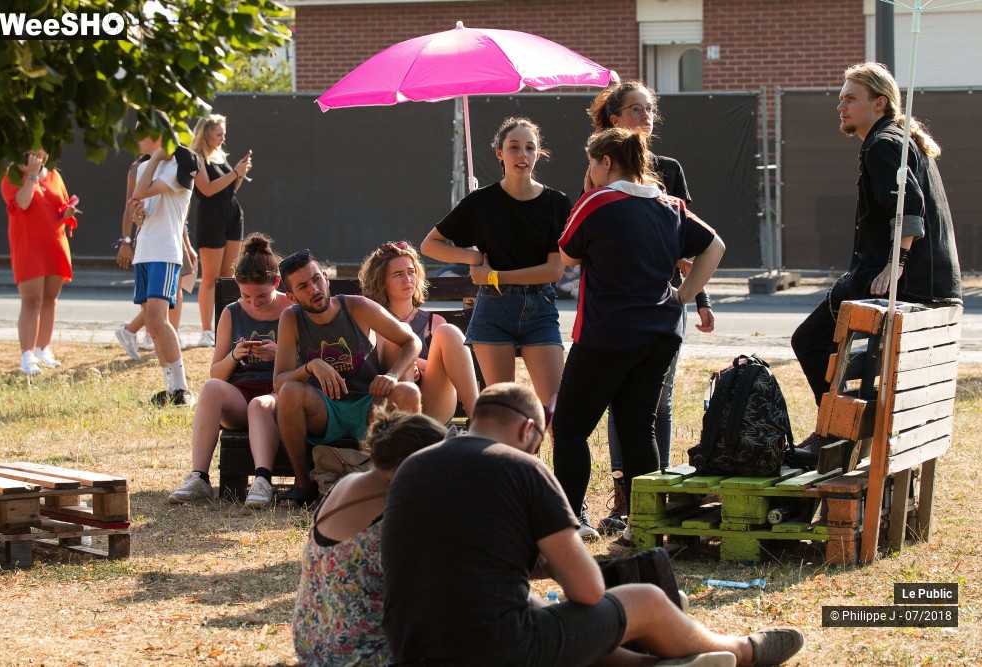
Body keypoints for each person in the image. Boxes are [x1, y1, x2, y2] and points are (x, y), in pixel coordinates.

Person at [382, 382, 803, 667]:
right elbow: (588, 591)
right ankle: (745, 651)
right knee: (646, 601)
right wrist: (558, 561)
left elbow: (450, 565)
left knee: (535, 607)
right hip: (497, 651)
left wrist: (527, 565)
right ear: (529, 429)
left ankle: (654, 664)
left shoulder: (413, 468)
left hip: (411, 649)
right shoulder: (522, 468)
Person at [554, 128, 725, 552]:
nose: (589, 172)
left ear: (605, 162)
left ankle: (568, 527)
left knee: (571, 427)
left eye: (590, 164)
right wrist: (683, 297)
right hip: (660, 333)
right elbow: (715, 245)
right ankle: (643, 531)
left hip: (608, 333)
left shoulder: (596, 201)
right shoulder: (670, 204)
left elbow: (568, 256)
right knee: (638, 428)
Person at [791, 62, 962, 460]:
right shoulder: (900, 139)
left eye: (851, 98)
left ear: (879, 103)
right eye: (840, 98)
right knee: (851, 355)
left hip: (906, 282)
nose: (841, 106)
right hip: (930, 283)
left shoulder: (883, 143)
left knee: (810, 339)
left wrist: (896, 263)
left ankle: (838, 433)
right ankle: (842, 431)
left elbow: (910, 207)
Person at [587, 80, 716, 536]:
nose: (645, 118)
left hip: (664, 304)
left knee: (657, 399)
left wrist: (696, 297)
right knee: (621, 401)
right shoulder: (599, 168)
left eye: (649, 110)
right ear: (613, 119)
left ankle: (653, 492)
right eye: (635, 110)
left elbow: (694, 238)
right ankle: (625, 495)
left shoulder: (669, 169)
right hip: (615, 306)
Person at [420, 116, 570, 412]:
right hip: (494, 311)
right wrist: (473, 258)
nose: (522, 155)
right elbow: (430, 245)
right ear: (499, 153)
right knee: (505, 408)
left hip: (540, 307)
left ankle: (545, 457)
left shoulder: (557, 203)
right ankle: (510, 460)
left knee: (557, 409)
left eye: (529, 148)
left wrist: (494, 276)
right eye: (514, 147)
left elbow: (554, 270)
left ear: (538, 154)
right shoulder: (481, 202)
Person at [293, 409, 447, 667]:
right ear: (412, 464)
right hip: (360, 656)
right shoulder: (396, 511)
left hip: (313, 644)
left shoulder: (345, 484)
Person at [273, 250, 422, 508]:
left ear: (327, 279)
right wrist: (311, 367)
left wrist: (392, 374)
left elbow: (412, 341)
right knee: (289, 392)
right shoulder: (291, 319)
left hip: (368, 405)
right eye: (303, 286)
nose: (314, 289)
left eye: (317, 279)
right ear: (291, 297)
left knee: (408, 393)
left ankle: (405, 482)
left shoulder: (357, 307)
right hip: (325, 410)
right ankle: (302, 484)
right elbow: (279, 381)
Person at [167, 233, 292, 507]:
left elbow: (307, 361)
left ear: (277, 283)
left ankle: (261, 481)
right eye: (246, 295)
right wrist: (235, 355)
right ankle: (199, 477)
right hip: (242, 396)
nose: (254, 302)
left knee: (260, 405)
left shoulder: (291, 308)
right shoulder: (232, 312)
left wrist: (277, 352)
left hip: (279, 395)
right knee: (211, 388)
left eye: (262, 296)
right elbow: (217, 373)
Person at [358, 241, 478, 422]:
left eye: (411, 272)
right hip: (392, 407)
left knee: (449, 331)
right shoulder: (375, 323)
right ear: (381, 281)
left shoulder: (435, 323)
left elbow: (455, 388)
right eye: (398, 274)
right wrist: (408, 365)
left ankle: (479, 420)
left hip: (433, 408)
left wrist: (420, 368)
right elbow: (372, 371)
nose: (407, 279)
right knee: (400, 335)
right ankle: (409, 433)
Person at [129, 109, 199, 406]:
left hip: (164, 251)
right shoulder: (152, 166)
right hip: (145, 250)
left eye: (140, 132)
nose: (136, 139)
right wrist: (137, 214)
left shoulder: (173, 167)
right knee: (153, 323)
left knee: (157, 319)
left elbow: (140, 190)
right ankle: (171, 388)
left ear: (157, 135)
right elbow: (138, 201)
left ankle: (182, 389)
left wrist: (157, 156)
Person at [1, 149, 79, 375]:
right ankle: (27, 355)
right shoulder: (14, 174)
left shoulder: (54, 175)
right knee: (31, 300)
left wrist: (68, 212)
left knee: (49, 299)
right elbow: (22, 204)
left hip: (55, 244)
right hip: (28, 246)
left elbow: (61, 206)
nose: (41, 153)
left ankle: (44, 349)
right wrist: (33, 176)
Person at [115, 154, 196, 359]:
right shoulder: (139, 168)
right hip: (151, 245)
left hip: (170, 241)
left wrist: (186, 244)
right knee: (158, 310)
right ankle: (139, 333)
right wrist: (125, 240)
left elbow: (177, 212)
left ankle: (160, 339)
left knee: (169, 299)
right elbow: (133, 207)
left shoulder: (177, 164)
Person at [189, 114, 253, 348]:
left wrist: (240, 173)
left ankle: (226, 328)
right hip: (211, 216)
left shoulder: (220, 155)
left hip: (232, 213)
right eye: (218, 134)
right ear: (205, 133)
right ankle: (207, 330)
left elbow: (229, 188)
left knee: (229, 274)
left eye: (223, 133)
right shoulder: (196, 157)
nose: (222, 138)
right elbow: (206, 189)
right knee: (210, 277)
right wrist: (234, 173)